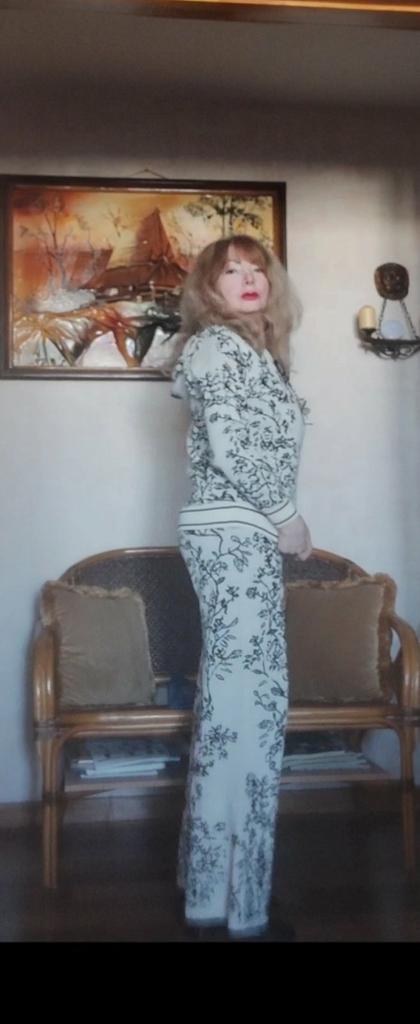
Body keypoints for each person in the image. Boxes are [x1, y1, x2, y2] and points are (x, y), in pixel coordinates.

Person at [170, 234, 312, 942]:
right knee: (250, 713)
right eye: (232, 270)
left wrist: (277, 520)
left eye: (258, 269)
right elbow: (232, 448)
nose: (249, 279)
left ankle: (213, 892)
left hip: (237, 533)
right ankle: (237, 901)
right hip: (235, 533)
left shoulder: (254, 354)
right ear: (209, 287)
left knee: (235, 710)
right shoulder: (217, 348)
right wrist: (286, 516)